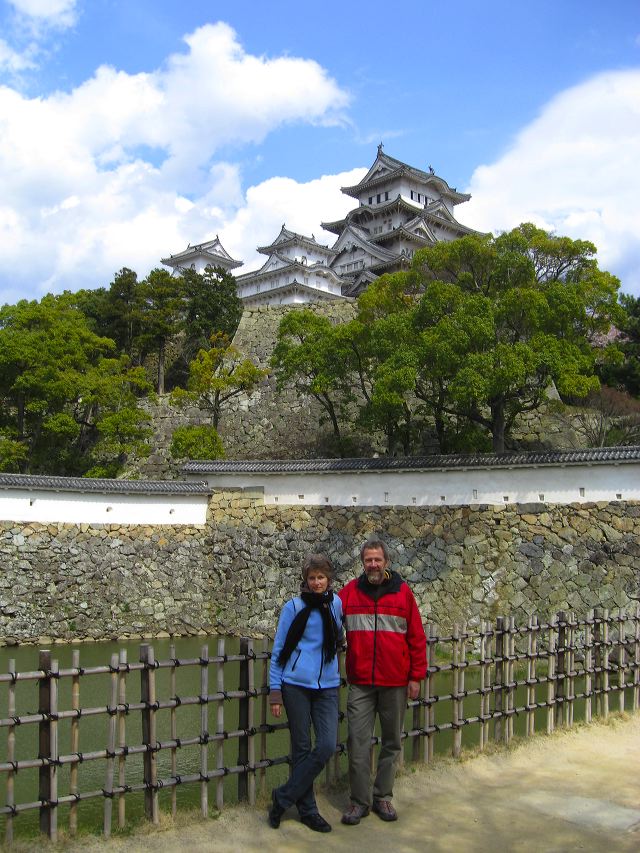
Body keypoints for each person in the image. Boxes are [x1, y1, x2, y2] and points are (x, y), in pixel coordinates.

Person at [339, 538, 427, 825]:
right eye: (368, 560)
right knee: (358, 742)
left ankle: (383, 797)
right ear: (362, 563)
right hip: (362, 682)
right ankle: (359, 801)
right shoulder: (350, 592)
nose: (373, 565)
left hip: (395, 681)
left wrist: (416, 676)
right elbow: (327, 612)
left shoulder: (403, 593)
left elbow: (416, 637)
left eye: (377, 560)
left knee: (392, 742)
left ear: (386, 562)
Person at [268, 553, 343, 833]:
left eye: (321, 577)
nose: (316, 583)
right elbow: (279, 651)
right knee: (301, 748)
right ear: (305, 580)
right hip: (296, 685)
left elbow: (339, 635)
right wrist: (275, 691)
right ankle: (309, 811)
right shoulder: (293, 607)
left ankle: (283, 796)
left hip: (328, 684)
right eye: (311, 578)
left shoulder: (335, 604)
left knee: (326, 745)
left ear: (329, 579)